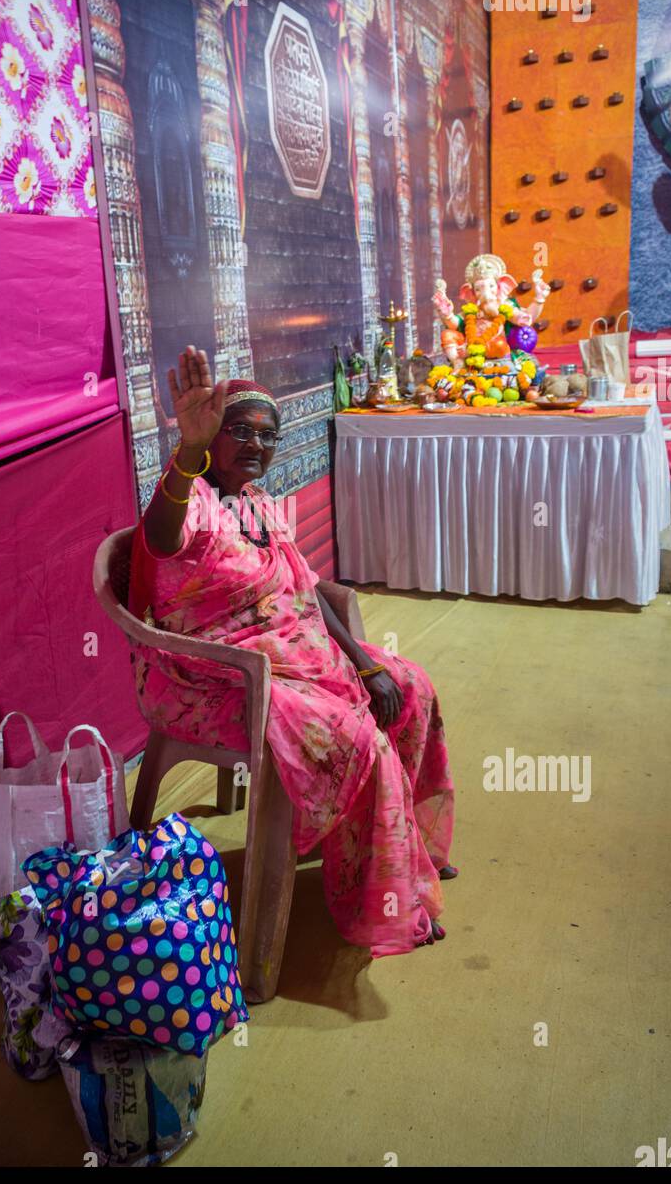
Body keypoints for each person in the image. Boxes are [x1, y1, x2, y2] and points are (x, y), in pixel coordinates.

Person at [128, 345, 456, 959]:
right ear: (210, 436)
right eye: (239, 432)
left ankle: (404, 847)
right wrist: (186, 453)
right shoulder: (190, 499)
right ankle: (380, 895)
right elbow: (158, 535)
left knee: (409, 686)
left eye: (267, 437)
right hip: (214, 678)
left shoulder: (253, 506)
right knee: (358, 736)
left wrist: (363, 661)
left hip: (295, 660)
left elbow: (306, 589)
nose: (255, 445)